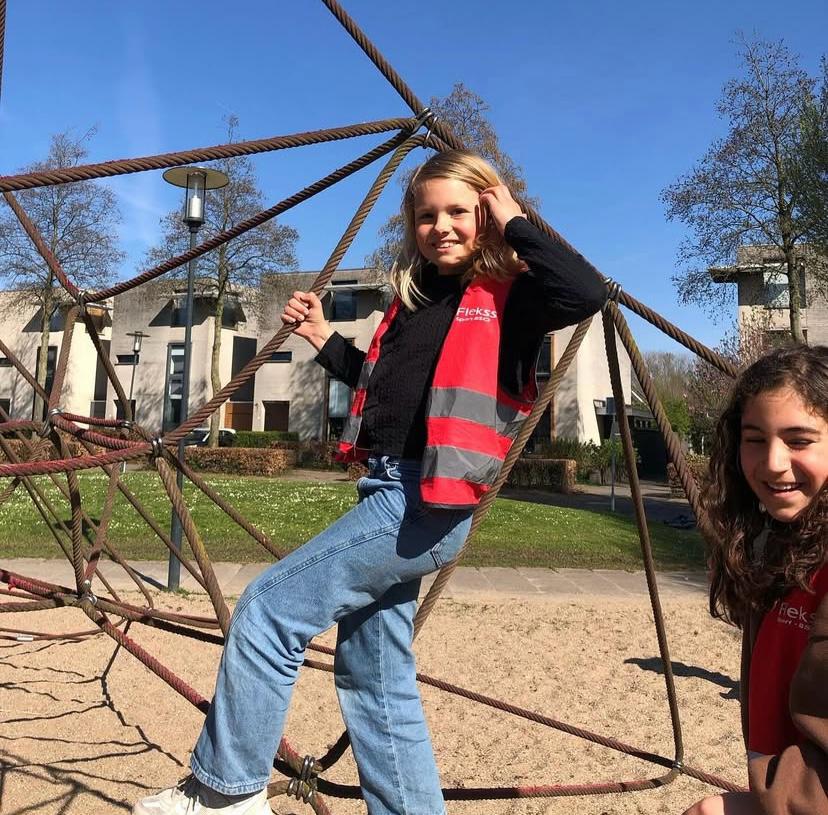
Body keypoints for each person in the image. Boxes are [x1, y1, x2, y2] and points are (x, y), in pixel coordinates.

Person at [132, 149, 606, 815]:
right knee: (375, 674)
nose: (441, 226)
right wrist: (323, 337)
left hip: (425, 501)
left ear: (487, 215)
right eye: (426, 215)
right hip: (387, 489)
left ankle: (226, 792)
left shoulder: (515, 300)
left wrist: (512, 214)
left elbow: (586, 292)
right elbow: (383, 389)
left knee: (269, 608)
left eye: (459, 212)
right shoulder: (415, 303)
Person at [682, 345, 828, 815]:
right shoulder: (778, 543)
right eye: (755, 438)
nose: (773, 462)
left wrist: (768, 803)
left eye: (799, 440)